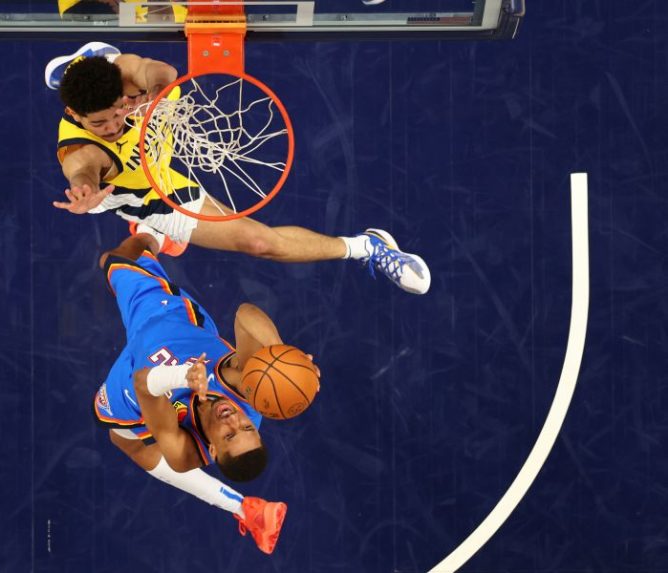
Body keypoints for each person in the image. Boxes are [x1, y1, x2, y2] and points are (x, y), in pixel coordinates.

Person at [45, 43, 432, 295]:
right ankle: (367, 246)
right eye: (100, 124)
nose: (113, 126)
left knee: (139, 73)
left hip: (155, 150)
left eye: (117, 113)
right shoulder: (83, 152)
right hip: (153, 198)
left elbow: (159, 71)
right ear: (75, 114)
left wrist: (151, 94)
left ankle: (95, 56)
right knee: (259, 243)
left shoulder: (126, 79)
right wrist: (83, 191)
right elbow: (82, 172)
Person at [92, 230, 321, 554]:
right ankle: (156, 238)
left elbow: (144, 384)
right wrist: (280, 355)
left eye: (229, 436)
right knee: (120, 254)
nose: (234, 421)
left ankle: (246, 509)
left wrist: (182, 375)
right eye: (246, 427)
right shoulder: (248, 390)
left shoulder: (184, 455)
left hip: (134, 381)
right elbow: (245, 314)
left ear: (211, 450)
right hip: (164, 319)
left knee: (122, 439)